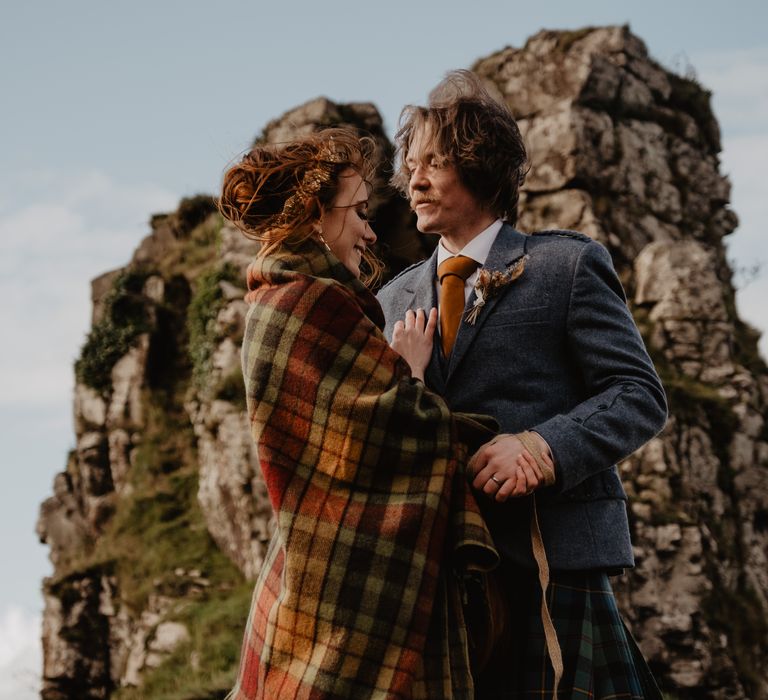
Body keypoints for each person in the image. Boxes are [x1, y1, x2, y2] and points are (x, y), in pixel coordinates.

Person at [377, 71, 668, 699]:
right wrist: (411, 382)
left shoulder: (566, 265)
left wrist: (541, 448)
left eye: (434, 163)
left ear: (480, 168)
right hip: (440, 567)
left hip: (552, 555)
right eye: (410, 165)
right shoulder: (392, 298)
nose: (415, 180)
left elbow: (638, 394)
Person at [219, 128, 500, 699]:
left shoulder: (272, 301)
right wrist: (412, 371)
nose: (370, 230)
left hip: (311, 577)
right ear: (317, 214)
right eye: (359, 211)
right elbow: (395, 435)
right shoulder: (313, 302)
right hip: (351, 593)